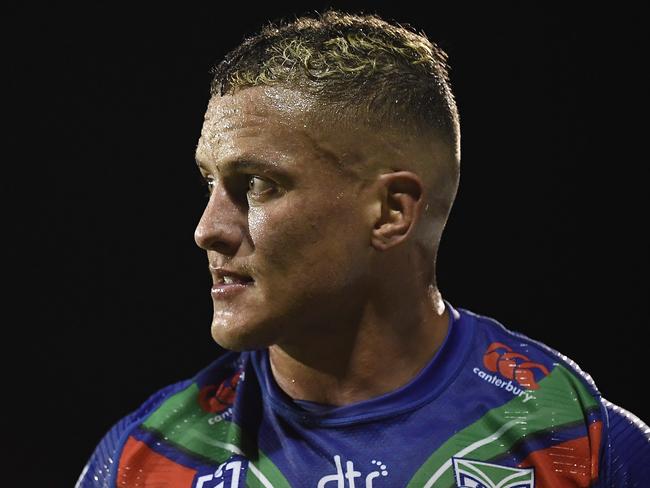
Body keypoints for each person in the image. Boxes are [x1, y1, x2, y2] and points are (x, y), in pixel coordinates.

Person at [77, 9, 649, 488]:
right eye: (210, 183)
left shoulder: (572, 437)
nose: (208, 229)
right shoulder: (146, 460)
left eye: (258, 184)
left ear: (392, 212)